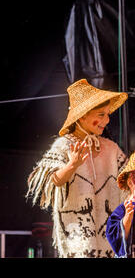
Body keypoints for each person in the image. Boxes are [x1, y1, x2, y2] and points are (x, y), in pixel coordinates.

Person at [26, 79, 128, 258]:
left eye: (107, 114)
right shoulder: (63, 145)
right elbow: (52, 181)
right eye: (101, 114)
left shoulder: (111, 149)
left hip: (109, 240)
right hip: (78, 239)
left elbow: (130, 180)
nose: (107, 119)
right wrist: (72, 165)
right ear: (82, 116)